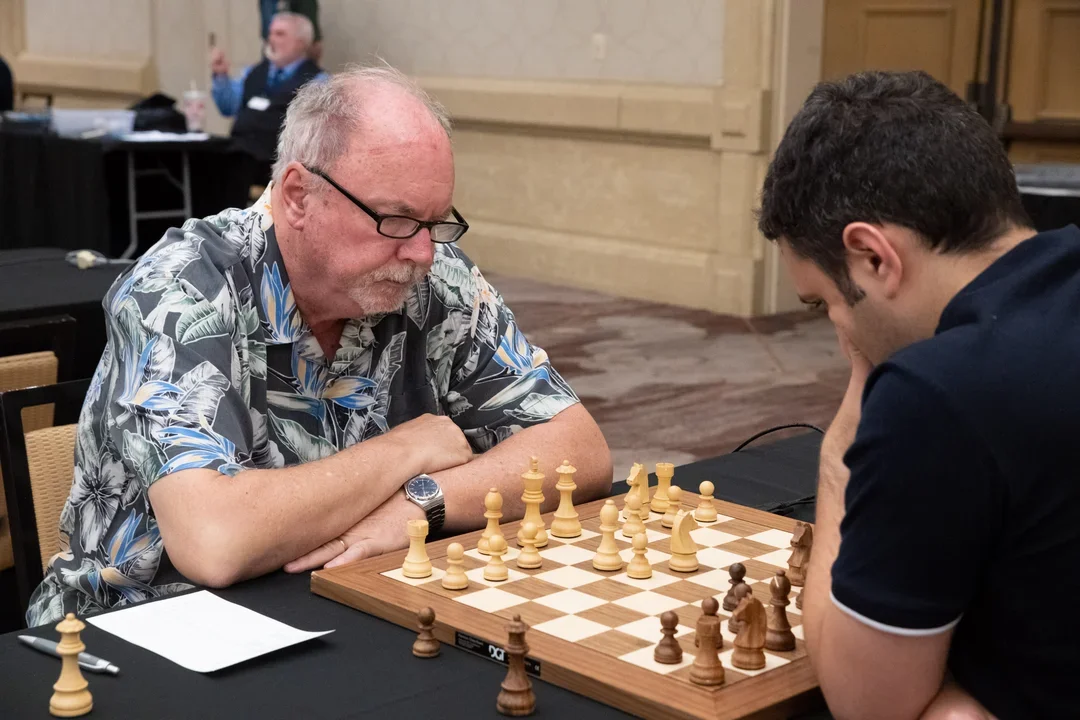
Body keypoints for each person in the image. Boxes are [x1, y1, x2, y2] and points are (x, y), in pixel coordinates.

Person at [26, 65, 612, 625]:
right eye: (397, 219)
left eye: (436, 223)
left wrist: (423, 501)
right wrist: (409, 449)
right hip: (136, 635)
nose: (423, 253)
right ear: (299, 195)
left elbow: (580, 450)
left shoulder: (434, 281)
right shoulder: (182, 290)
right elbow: (215, 541)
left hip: (344, 602)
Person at [758, 69, 1080, 719]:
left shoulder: (936, 396)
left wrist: (842, 443)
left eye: (822, 302)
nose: (837, 329)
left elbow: (867, 704)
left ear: (874, 257)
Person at [211, 12, 328, 197]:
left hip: (276, 160)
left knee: (233, 165)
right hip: (239, 152)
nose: (271, 39)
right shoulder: (252, 72)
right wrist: (221, 77)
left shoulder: (317, 82)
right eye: (271, 33)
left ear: (301, 42)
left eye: (280, 34)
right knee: (206, 159)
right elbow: (228, 107)